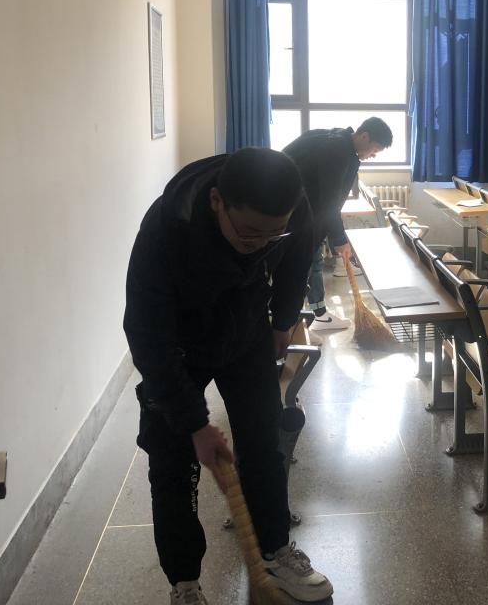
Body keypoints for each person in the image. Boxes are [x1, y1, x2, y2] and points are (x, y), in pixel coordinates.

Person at [123, 148, 333, 605]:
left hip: (245, 329)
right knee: (173, 462)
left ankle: (274, 550)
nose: (262, 242)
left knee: (263, 441)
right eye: (251, 233)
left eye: (273, 233)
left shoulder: (288, 209)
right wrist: (194, 424)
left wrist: (282, 320)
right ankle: (184, 582)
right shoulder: (165, 231)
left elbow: (298, 251)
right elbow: (148, 338)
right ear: (217, 201)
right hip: (180, 345)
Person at [283, 117, 392, 331]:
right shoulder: (338, 150)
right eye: (375, 149)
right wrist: (340, 239)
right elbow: (330, 201)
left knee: (311, 263)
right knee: (297, 272)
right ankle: (290, 326)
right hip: (294, 216)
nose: (373, 155)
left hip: (300, 214)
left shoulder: (336, 140)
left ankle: (314, 317)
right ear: (364, 136)